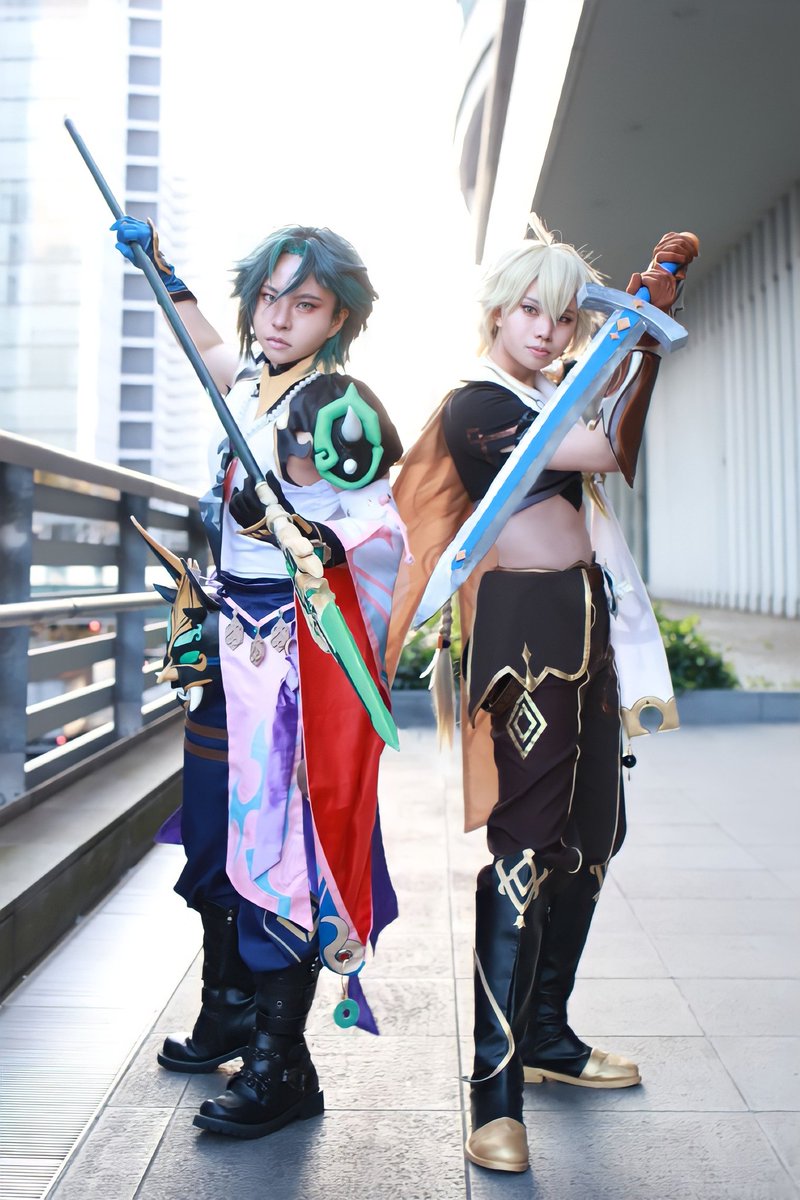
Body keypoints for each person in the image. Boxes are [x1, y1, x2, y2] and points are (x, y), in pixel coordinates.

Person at [387, 216, 698, 1173]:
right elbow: (602, 452)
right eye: (532, 310)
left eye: (565, 318)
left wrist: (636, 343)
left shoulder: (549, 394)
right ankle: (496, 1094)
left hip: (588, 620)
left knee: (593, 835)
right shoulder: (476, 405)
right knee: (524, 846)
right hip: (523, 635)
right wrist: (637, 343)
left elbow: (608, 435)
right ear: (496, 312)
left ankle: (549, 1037)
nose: (549, 330)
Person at [112, 217, 406, 1139]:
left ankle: (284, 1064)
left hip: (288, 660)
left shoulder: (337, 404)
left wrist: (314, 534)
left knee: (277, 853)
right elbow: (204, 341)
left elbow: (382, 525)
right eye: (269, 297)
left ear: (338, 317)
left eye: (304, 303)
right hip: (225, 642)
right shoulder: (248, 379)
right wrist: (160, 267)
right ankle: (229, 1010)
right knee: (211, 836)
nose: (279, 317)